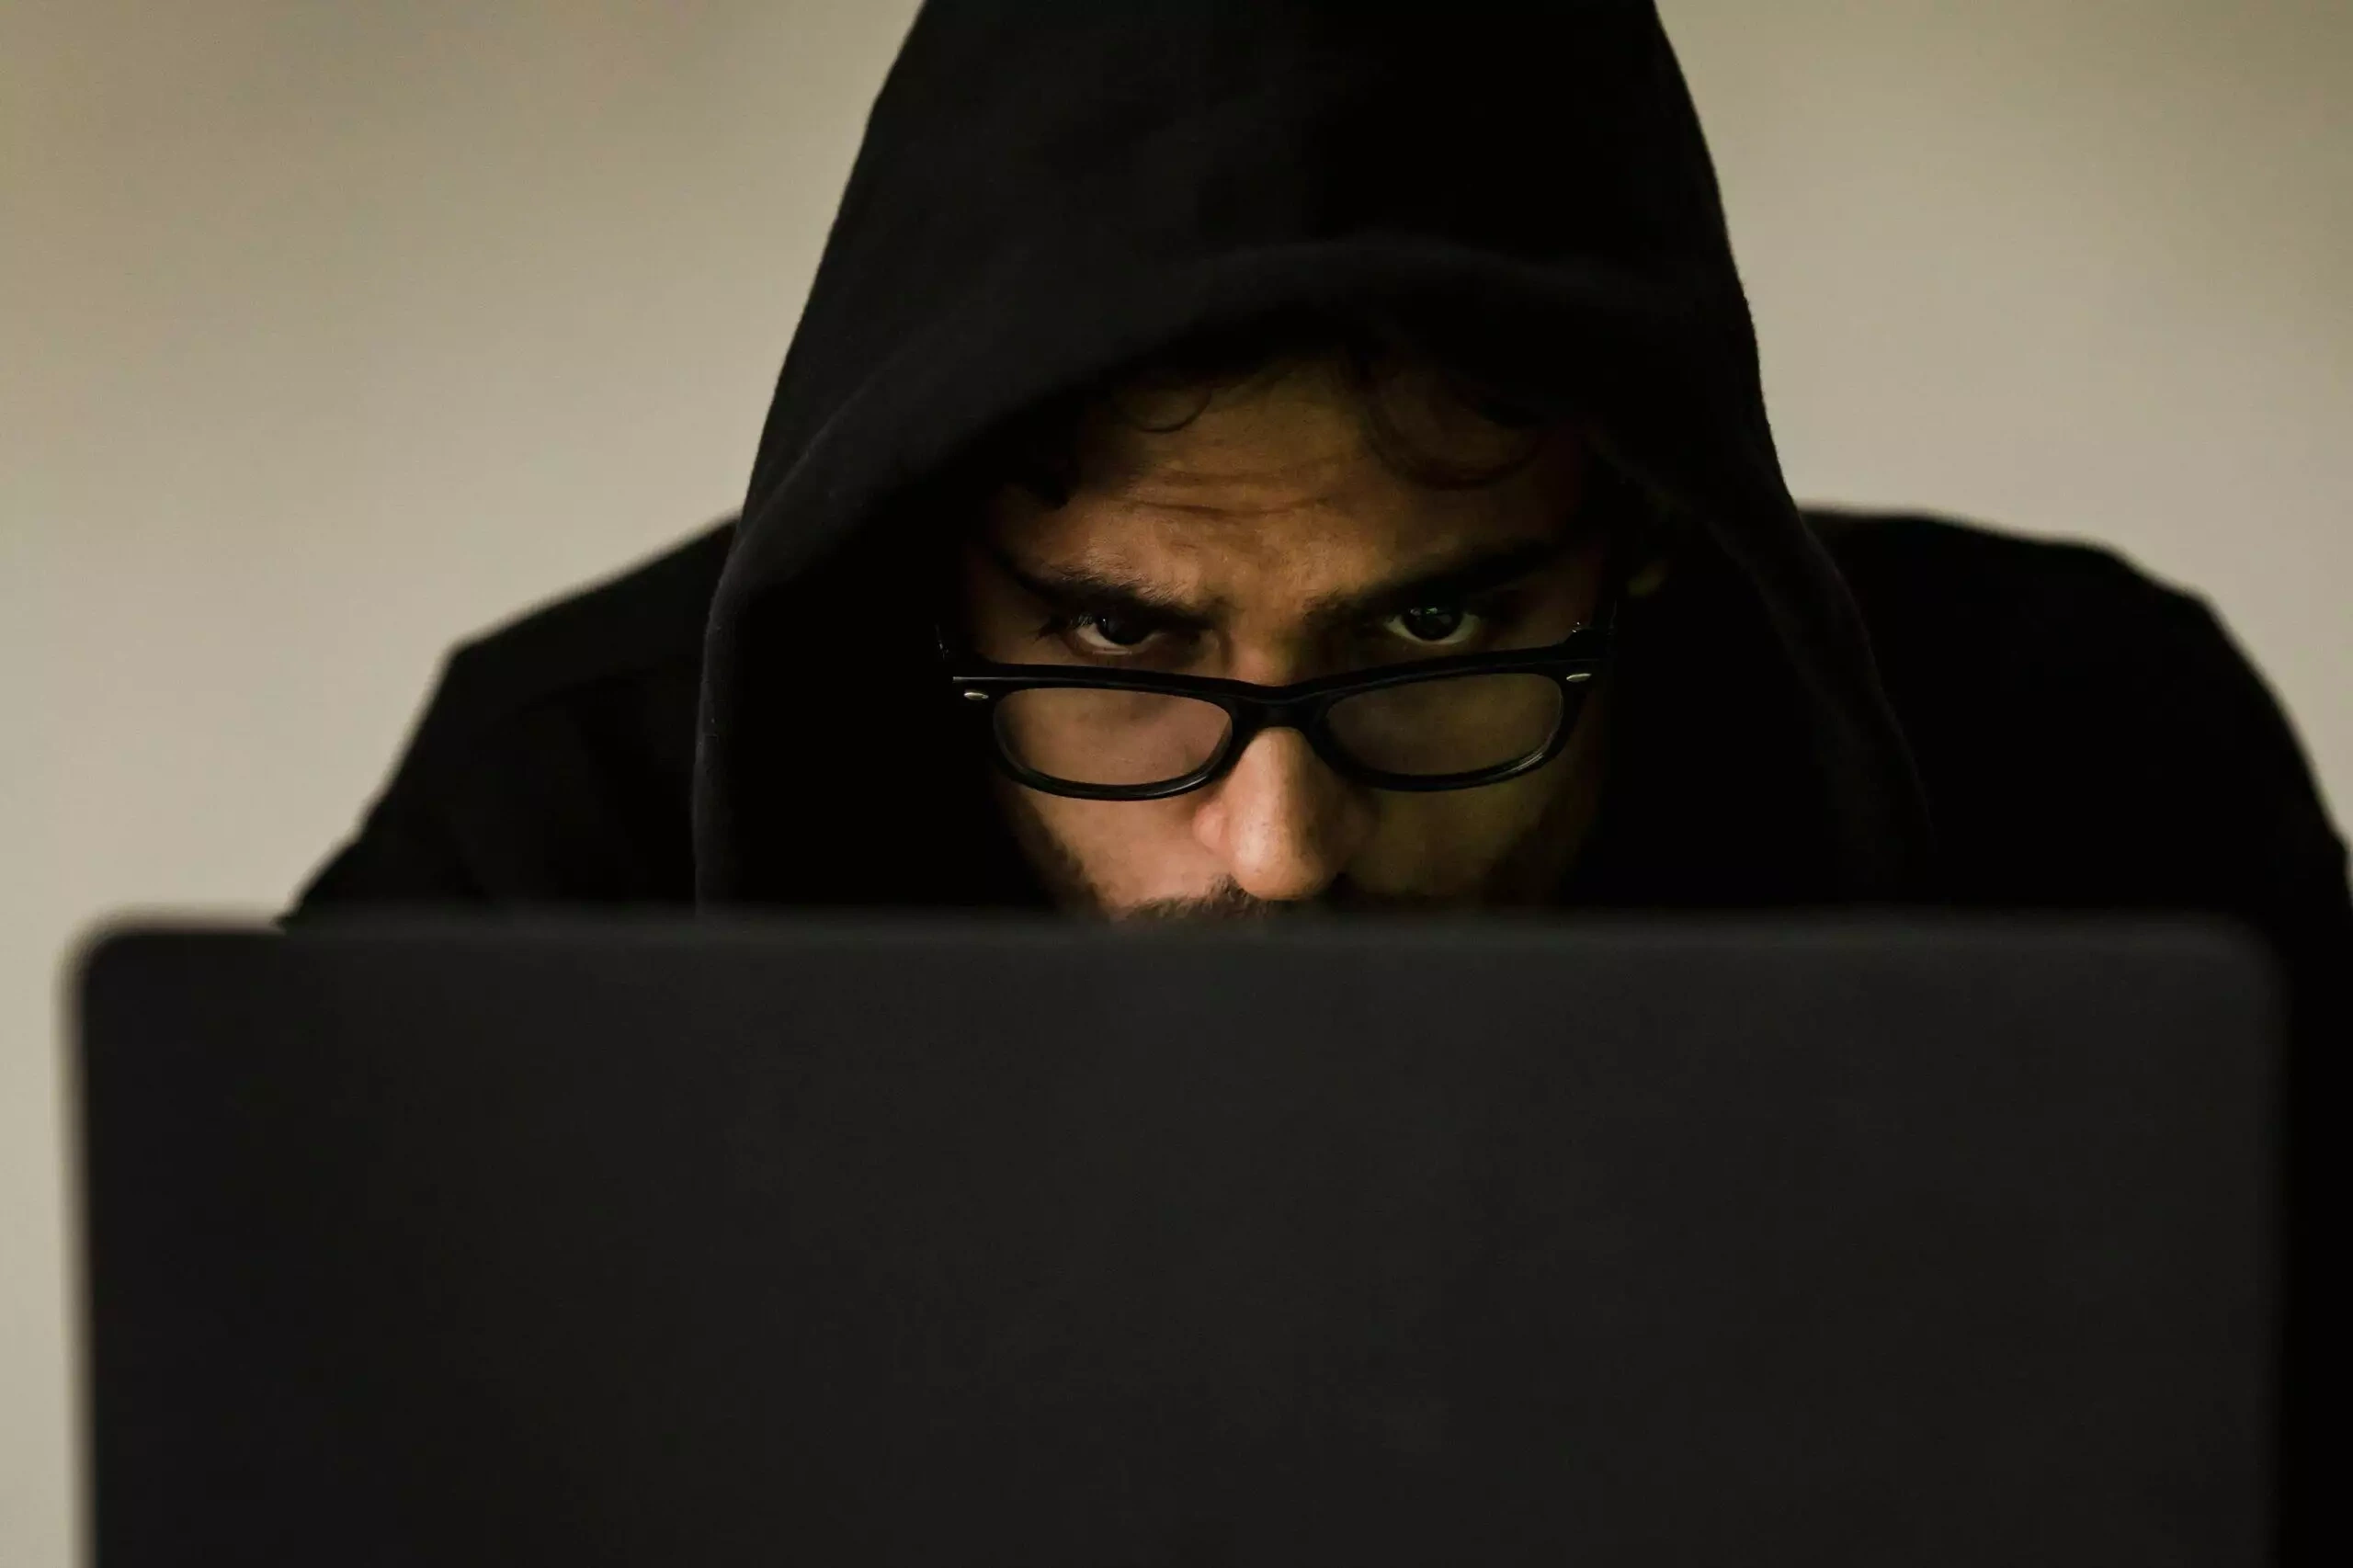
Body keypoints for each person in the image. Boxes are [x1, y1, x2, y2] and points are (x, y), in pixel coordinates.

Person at [290, 1, 2342, 1549]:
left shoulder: (2081, 775)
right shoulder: (552, 853)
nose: (1278, 846)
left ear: (1643, 535)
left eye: (1435, 633)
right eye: (1120, 639)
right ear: (922, 564)